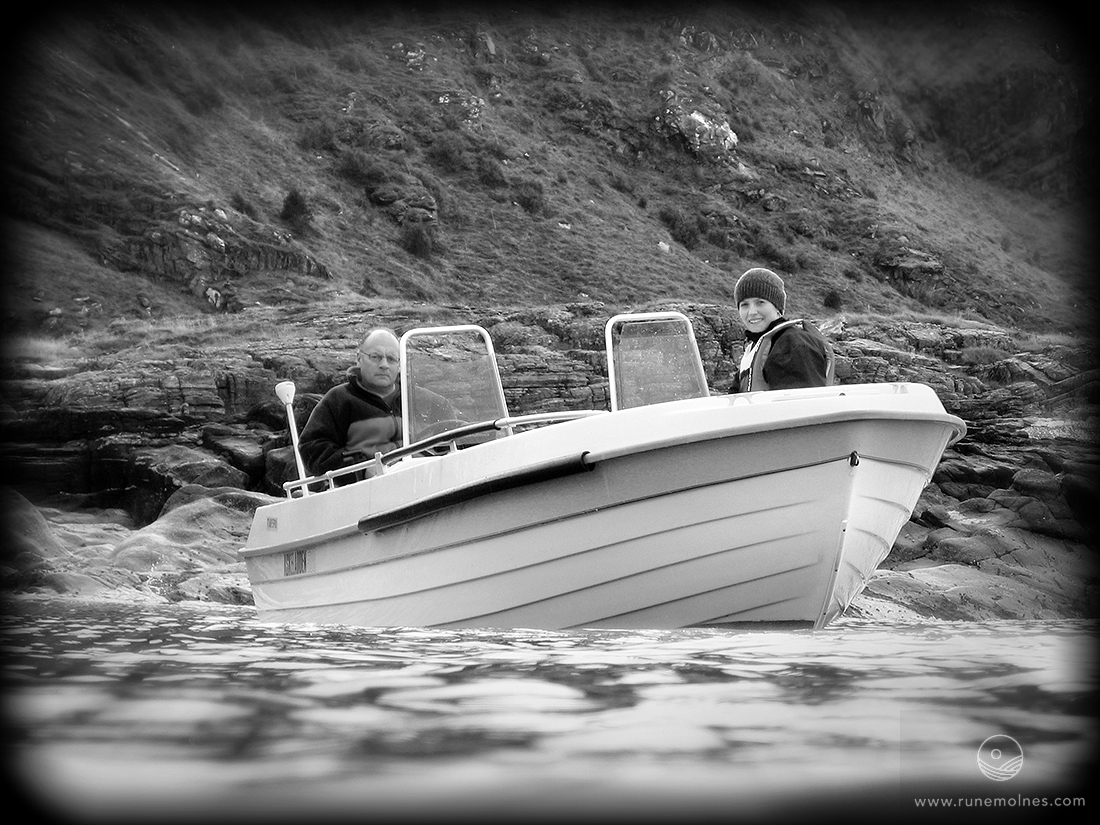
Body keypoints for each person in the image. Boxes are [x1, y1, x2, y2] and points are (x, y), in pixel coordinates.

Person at [297, 327, 455, 480]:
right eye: (375, 356)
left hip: (429, 481)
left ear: (400, 364)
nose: (384, 364)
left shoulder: (432, 402)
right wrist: (362, 469)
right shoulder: (339, 400)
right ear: (359, 358)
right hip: (365, 492)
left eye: (392, 358)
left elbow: (456, 442)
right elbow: (311, 448)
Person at [730, 267, 834, 393]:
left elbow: (802, 407)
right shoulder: (754, 347)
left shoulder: (793, 343)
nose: (752, 312)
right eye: (744, 305)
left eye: (760, 302)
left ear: (778, 308)